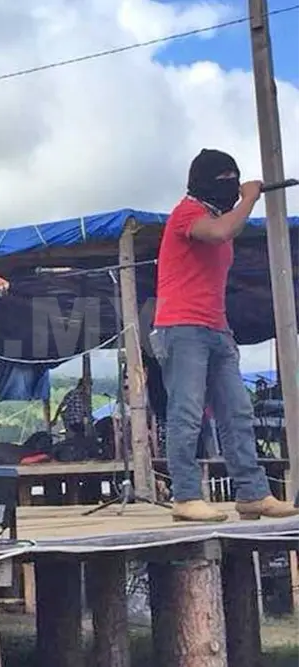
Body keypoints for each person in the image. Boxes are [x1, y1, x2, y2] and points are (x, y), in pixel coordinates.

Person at [151, 148, 299, 523]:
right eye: (225, 180)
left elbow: (225, 227)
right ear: (203, 182)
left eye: (236, 180)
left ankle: (252, 493)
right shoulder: (188, 213)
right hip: (182, 327)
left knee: (238, 411)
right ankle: (185, 496)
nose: (232, 186)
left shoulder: (218, 214)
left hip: (217, 327)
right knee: (186, 412)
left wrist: (241, 201)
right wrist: (249, 197)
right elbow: (221, 232)